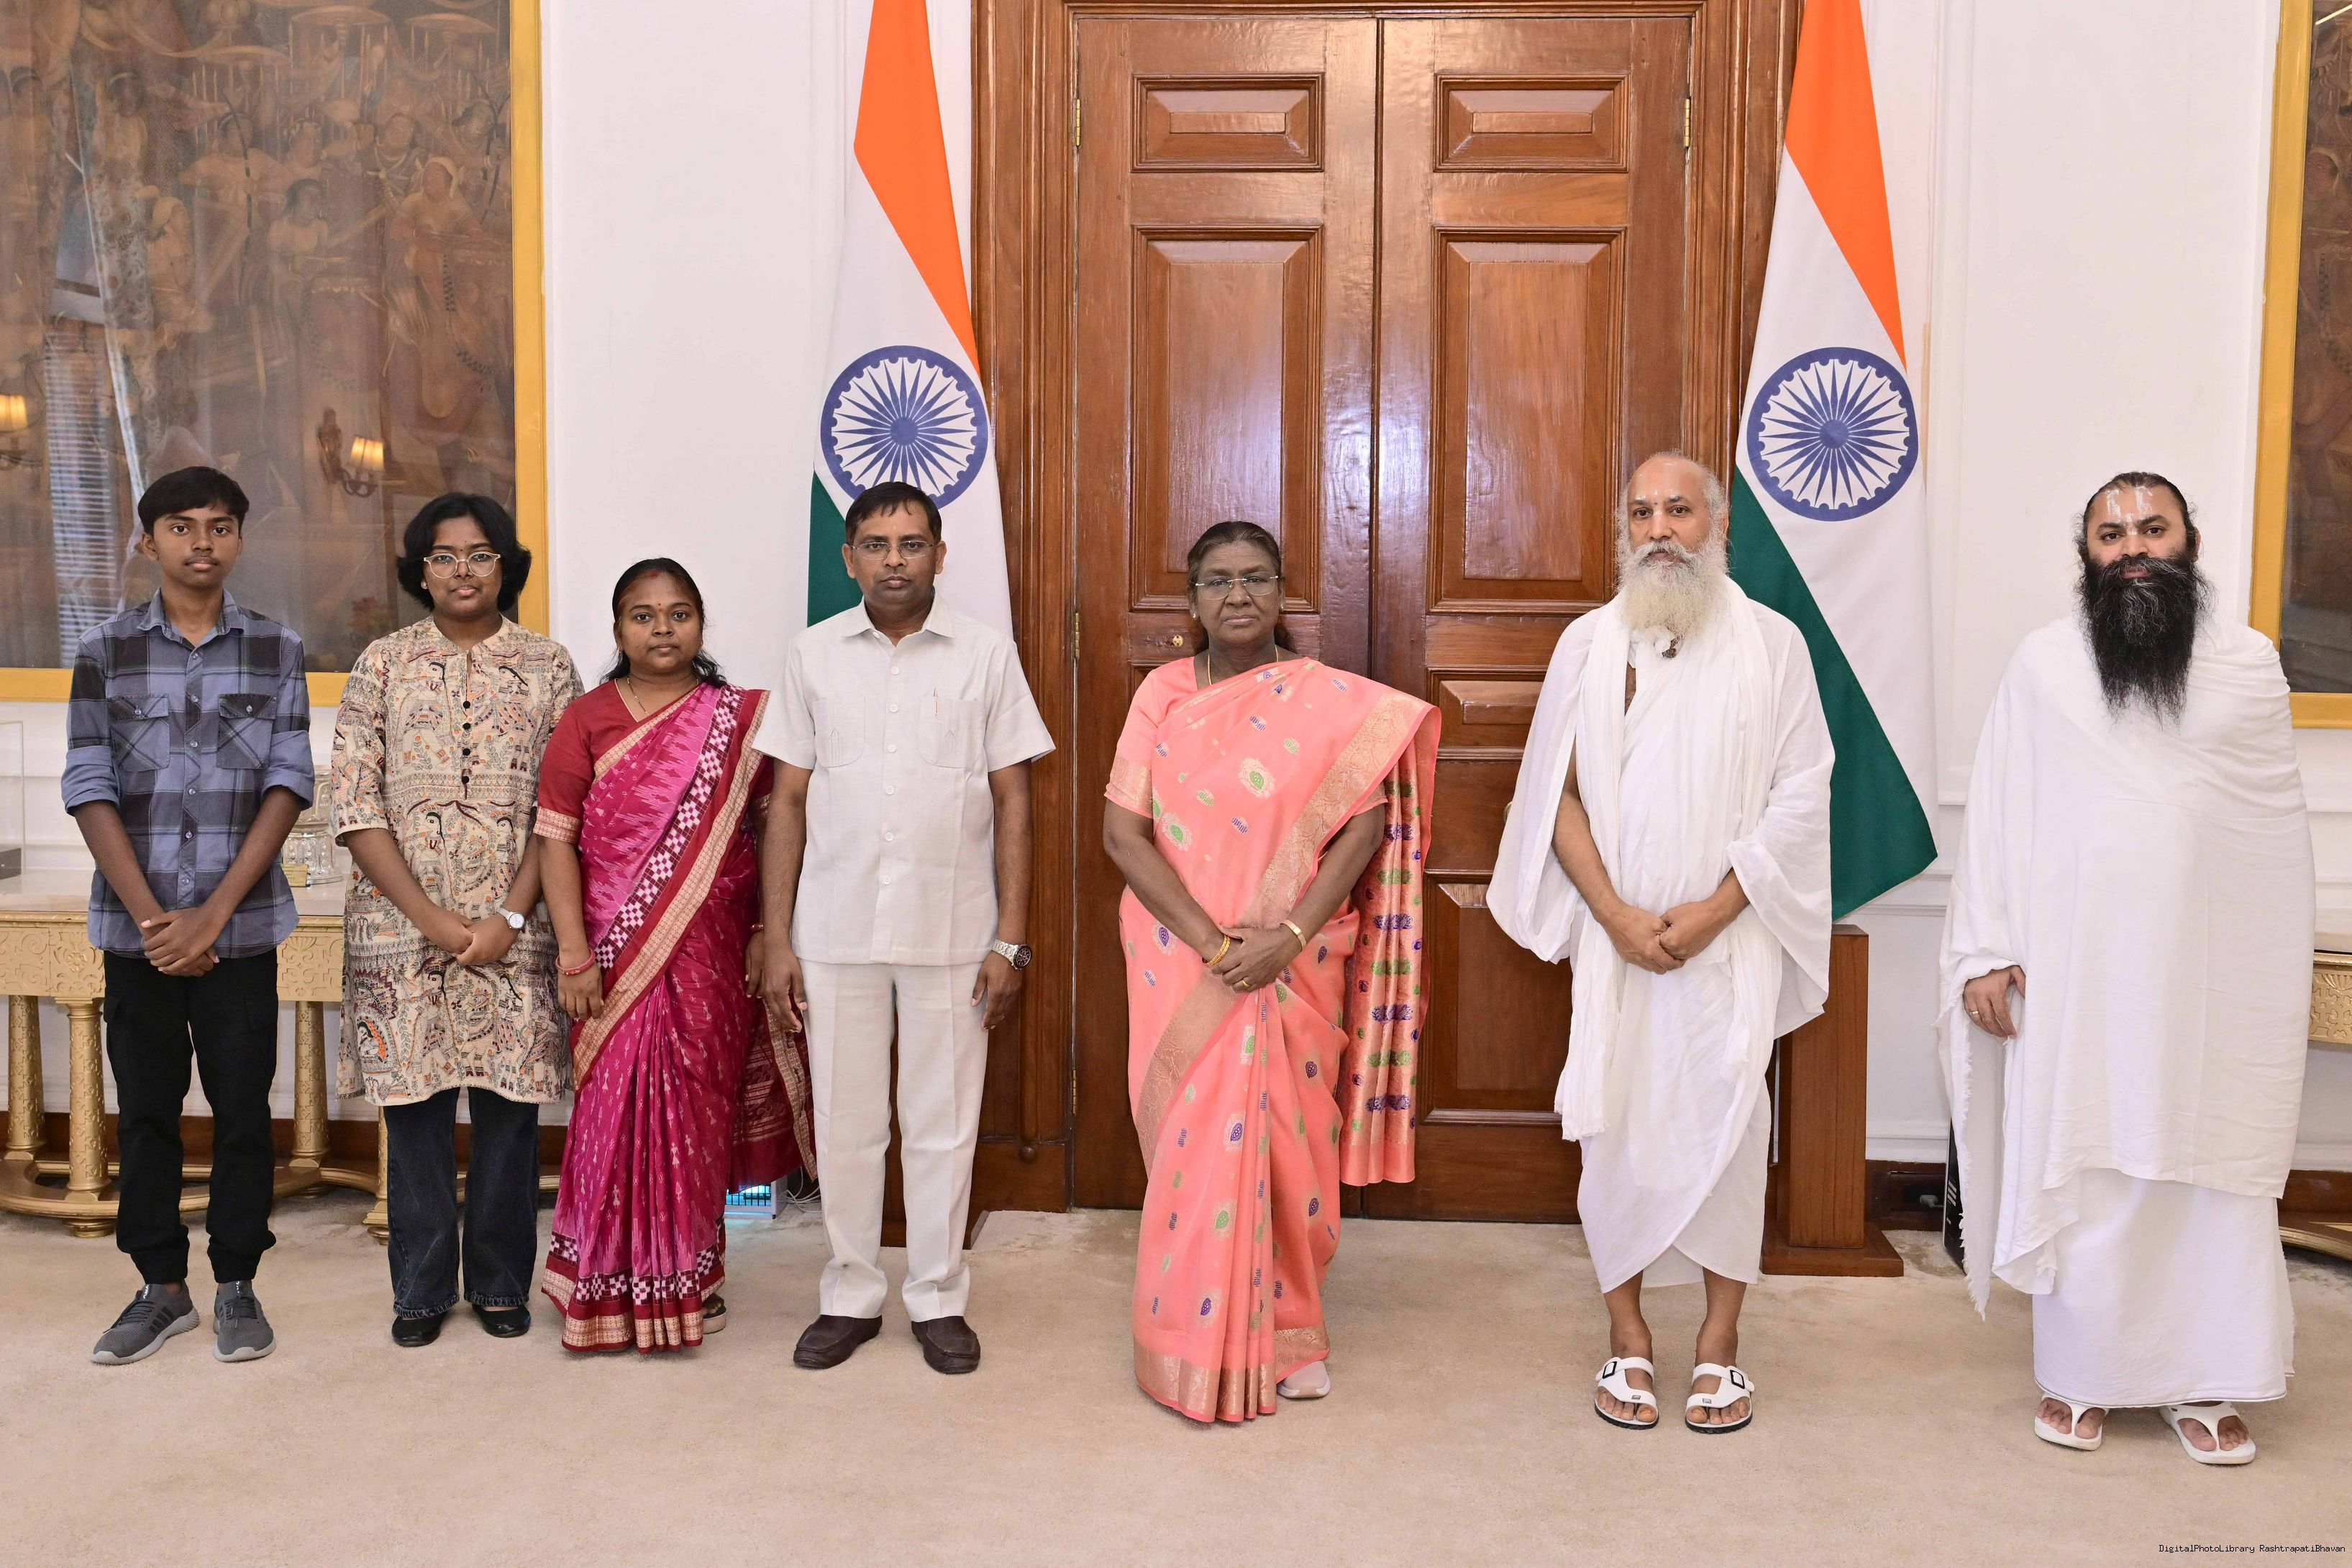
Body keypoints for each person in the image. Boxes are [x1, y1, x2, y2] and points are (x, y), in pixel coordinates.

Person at [1942, 472, 2310, 1466]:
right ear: (2086, 553)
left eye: (2153, 528)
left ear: (2189, 544)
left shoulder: (2247, 666)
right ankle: (2084, 1374)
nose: (2133, 546)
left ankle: (2206, 1378)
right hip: (2079, 971)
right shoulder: (2043, 665)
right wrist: (1986, 948)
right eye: (2112, 533)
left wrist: (2267, 969)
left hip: (2213, 973)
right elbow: (2000, 808)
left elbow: (2273, 834)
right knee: (2095, 1157)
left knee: (2208, 1166)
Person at [1490, 452, 1833, 1434]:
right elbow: (1552, 796)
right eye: (1640, 512)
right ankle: (1628, 1334)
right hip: (1622, 943)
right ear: (1623, 528)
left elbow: (1801, 793)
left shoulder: (1774, 646)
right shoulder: (1587, 646)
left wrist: (1720, 908)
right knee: (1618, 1134)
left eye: (1678, 510)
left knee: (1731, 1133)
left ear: (1715, 525)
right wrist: (1611, 913)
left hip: (1727, 939)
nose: (1659, 530)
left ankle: (1719, 1343)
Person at [1100, 520, 1439, 1422]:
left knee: (1293, 1138)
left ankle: (1293, 1331)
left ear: (1283, 591)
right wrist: (1215, 944)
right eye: (1217, 580)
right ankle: (1186, 1334)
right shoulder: (1164, 694)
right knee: (1193, 1140)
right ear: (1192, 600)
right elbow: (1122, 834)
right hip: (1182, 957)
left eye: (1255, 576)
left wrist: (1287, 935)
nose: (1237, 593)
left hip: (1297, 957)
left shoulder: (1328, 700)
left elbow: (1363, 826)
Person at [758, 480, 1053, 1376]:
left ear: (940, 555)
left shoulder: (986, 655)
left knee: (943, 1123)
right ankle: (850, 1292)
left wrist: (1010, 938)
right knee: (848, 1125)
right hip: (834, 929)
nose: (895, 560)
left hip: (953, 930)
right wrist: (778, 939)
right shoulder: (812, 655)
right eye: (877, 545)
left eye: (912, 543)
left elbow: (1013, 798)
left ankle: (937, 1295)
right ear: (848, 557)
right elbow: (787, 801)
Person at [65, 466, 313, 1366]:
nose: (201, 541)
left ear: (239, 538)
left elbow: (289, 782)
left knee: (244, 1112)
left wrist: (211, 915)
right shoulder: (104, 649)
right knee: (146, 1114)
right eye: (181, 525)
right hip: (137, 935)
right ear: (148, 541)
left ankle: (238, 1283)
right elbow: (88, 781)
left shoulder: (278, 646)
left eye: (219, 525)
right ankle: (161, 1288)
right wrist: (156, 921)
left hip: (241, 931)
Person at [534, 560, 809, 1353]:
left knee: (696, 1112)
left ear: (701, 623)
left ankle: (690, 1275)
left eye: (679, 613)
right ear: (618, 629)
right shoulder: (586, 718)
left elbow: (775, 830)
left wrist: (769, 930)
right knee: (610, 1113)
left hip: (713, 955)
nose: (662, 628)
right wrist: (574, 954)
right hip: (613, 960)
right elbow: (555, 841)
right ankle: (600, 1281)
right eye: (643, 615)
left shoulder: (743, 718)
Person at [329, 494, 580, 1347]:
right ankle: (421, 1291)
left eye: (480, 554)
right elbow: (355, 805)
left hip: (519, 927)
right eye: (444, 556)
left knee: (510, 1112)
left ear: (506, 564)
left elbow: (562, 808)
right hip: (400, 933)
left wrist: (509, 911)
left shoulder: (548, 666)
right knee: (416, 1112)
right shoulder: (382, 663)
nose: (463, 570)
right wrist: (432, 918)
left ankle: (502, 1283)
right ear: (421, 570)